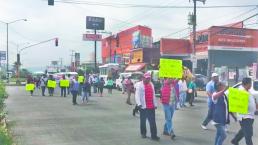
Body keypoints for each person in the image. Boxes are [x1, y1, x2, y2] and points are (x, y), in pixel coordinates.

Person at [231, 77, 257, 145]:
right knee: (248, 135)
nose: (251, 85)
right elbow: (240, 106)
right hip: (245, 117)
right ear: (246, 84)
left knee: (244, 131)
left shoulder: (247, 91)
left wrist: (254, 105)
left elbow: (251, 102)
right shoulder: (242, 92)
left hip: (250, 116)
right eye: (250, 84)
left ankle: (235, 140)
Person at [135, 72, 160, 141]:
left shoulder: (151, 84)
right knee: (143, 121)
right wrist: (139, 104)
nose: (148, 80)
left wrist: (155, 104)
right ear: (143, 78)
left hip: (151, 106)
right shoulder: (139, 85)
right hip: (143, 106)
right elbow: (137, 95)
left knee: (152, 121)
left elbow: (153, 95)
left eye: (149, 78)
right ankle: (143, 133)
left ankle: (154, 135)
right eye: (147, 78)